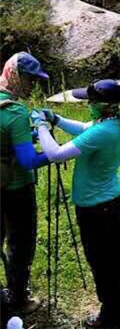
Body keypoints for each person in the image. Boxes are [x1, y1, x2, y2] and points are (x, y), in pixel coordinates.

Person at [34, 80, 120, 329]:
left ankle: (112, 316)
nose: (87, 105)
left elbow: (56, 154)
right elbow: (85, 129)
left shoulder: (103, 132)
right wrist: (57, 119)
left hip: (95, 209)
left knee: (101, 262)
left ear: (101, 106)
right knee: (118, 253)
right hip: (109, 202)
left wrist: (41, 125)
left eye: (89, 102)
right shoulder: (114, 123)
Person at [0, 53, 50, 315]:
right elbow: (28, 160)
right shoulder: (16, 112)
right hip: (16, 188)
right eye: (30, 80)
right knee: (21, 243)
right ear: (16, 76)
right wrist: (53, 154)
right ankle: (18, 299)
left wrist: (28, 134)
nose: (32, 86)